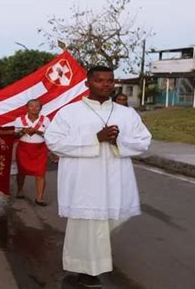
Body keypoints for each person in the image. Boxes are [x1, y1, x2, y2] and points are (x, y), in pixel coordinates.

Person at [44, 66, 151, 287]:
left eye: (110, 80)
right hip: (84, 181)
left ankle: (79, 263)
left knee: (107, 222)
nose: (106, 85)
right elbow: (54, 141)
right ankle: (90, 271)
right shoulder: (69, 112)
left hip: (116, 180)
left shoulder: (127, 113)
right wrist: (95, 139)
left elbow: (143, 142)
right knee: (90, 225)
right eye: (99, 80)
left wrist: (117, 143)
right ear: (87, 84)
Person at [13, 99, 50, 206]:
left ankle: (39, 198)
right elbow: (14, 136)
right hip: (23, 148)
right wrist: (22, 131)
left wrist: (37, 131)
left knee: (40, 173)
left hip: (40, 149)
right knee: (21, 171)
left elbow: (50, 135)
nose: (34, 108)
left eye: (37, 106)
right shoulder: (19, 120)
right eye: (31, 106)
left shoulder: (46, 120)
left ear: (41, 108)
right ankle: (20, 190)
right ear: (27, 107)